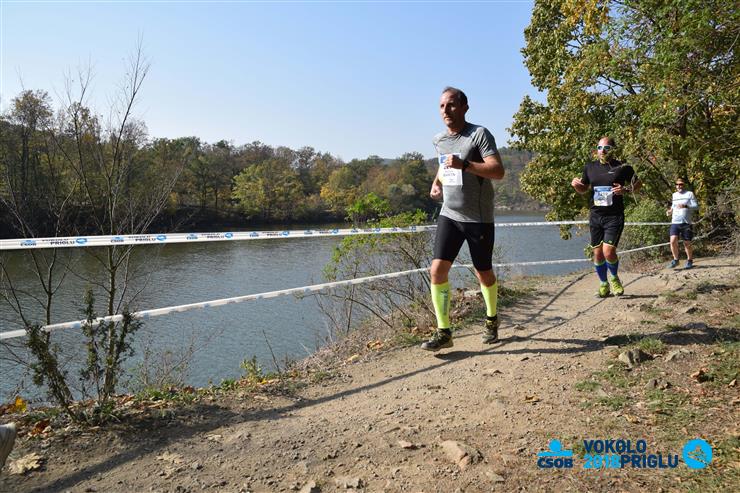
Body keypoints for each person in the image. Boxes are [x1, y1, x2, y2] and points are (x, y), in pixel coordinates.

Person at [420, 87, 505, 351]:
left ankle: (491, 319)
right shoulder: (439, 140)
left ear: (465, 107)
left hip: (478, 218)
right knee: (437, 271)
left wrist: (466, 165)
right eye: (441, 106)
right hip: (450, 214)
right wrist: (436, 183)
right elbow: (444, 164)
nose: (446, 110)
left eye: (451, 104)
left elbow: (497, 171)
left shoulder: (479, 134)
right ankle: (444, 332)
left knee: (483, 272)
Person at [571, 137, 641, 298]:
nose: (602, 150)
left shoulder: (623, 167)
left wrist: (626, 190)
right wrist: (576, 186)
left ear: (613, 150)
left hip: (614, 216)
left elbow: (638, 184)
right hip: (596, 216)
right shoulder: (589, 167)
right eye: (599, 147)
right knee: (597, 254)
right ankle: (604, 284)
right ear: (596, 150)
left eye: (607, 148)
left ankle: (615, 279)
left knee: (608, 251)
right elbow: (583, 188)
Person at [667, 178, 698, 269]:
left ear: (684, 185)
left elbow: (696, 206)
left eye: (681, 184)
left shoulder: (689, 194)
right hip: (675, 222)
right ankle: (676, 260)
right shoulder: (674, 195)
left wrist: (686, 206)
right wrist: (670, 211)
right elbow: (673, 206)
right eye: (677, 184)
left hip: (686, 222)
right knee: (672, 241)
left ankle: (689, 260)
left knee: (687, 243)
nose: (679, 186)